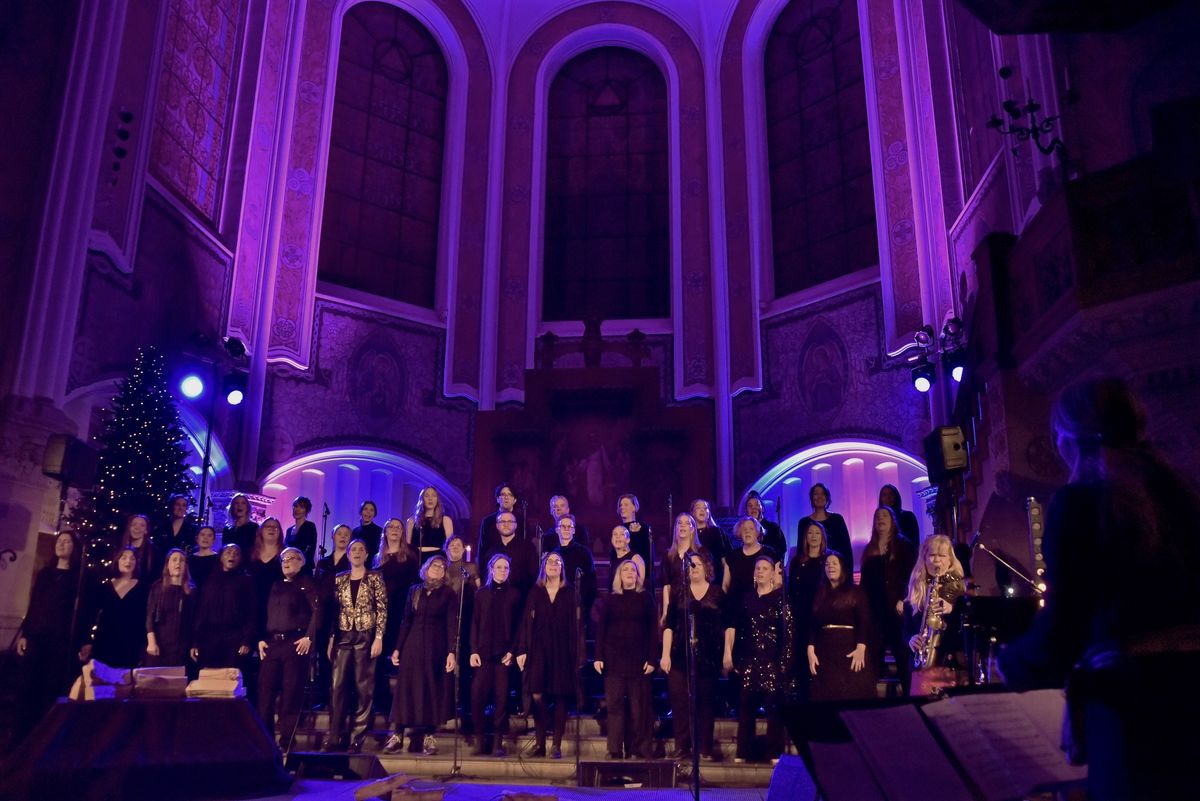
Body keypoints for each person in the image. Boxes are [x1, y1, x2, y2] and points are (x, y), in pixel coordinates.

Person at [998, 378, 1200, 801]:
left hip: (1132, 710)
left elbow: (1065, 627)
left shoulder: (1081, 502)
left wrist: (1013, 663)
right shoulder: (1182, 490)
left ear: (1068, 440)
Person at [724, 554, 794, 763]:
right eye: (758, 568)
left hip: (773, 661)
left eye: (765, 568)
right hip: (751, 660)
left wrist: (784, 665)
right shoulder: (747, 599)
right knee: (746, 709)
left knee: (774, 710)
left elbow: (789, 635)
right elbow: (739, 628)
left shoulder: (782, 599)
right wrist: (735, 656)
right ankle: (743, 752)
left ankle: (774, 752)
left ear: (773, 573)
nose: (761, 571)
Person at [386, 554, 458, 756]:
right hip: (413, 645)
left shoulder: (448, 594)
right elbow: (405, 621)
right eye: (434, 565)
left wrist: (451, 651)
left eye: (442, 567)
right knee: (405, 688)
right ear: (426, 568)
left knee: (431, 688)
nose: (437, 568)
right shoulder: (414, 591)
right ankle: (398, 734)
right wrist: (397, 648)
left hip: (436, 646)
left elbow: (451, 624)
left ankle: (429, 735)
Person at [16, 531, 84, 739]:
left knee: (51, 687)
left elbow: (82, 611)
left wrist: (83, 641)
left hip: (60, 640)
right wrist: (25, 634)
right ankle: (23, 734)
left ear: (74, 547)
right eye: (59, 540)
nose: (61, 544)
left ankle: (45, 735)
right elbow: (34, 605)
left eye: (67, 541)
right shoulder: (45, 574)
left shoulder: (78, 577)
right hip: (37, 637)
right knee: (29, 685)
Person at [660, 549, 727, 761]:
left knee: (705, 702)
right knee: (680, 702)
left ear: (706, 568)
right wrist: (665, 654)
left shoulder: (717, 593)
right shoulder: (679, 593)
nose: (694, 567)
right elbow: (669, 625)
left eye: (697, 563)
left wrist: (726, 654)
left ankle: (703, 747)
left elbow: (727, 627)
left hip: (708, 656)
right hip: (680, 654)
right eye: (690, 564)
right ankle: (682, 745)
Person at [324, 540, 387, 753]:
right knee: (337, 686)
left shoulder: (375, 577)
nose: (357, 553)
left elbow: (382, 608)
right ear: (348, 555)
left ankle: (357, 737)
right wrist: (332, 637)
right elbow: (334, 610)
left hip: (365, 634)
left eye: (361, 549)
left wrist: (378, 637)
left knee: (363, 687)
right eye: (353, 550)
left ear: (367, 554)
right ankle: (334, 735)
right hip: (343, 634)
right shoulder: (339, 578)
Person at [516, 552, 580, 759]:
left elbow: (578, 625)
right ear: (543, 567)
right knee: (537, 694)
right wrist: (523, 649)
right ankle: (541, 743)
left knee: (561, 695)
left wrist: (579, 653)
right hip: (539, 648)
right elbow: (526, 622)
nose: (554, 565)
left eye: (558, 562)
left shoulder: (570, 592)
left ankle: (556, 745)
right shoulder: (535, 591)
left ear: (562, 568)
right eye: (550, 562)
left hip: (562, 648)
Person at [594, 560, 657, 759]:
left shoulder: (645, 598)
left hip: (639, 660)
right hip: (614, 659)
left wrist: (652, 658)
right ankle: (614, 749)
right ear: (618, 576)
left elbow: (653, 631)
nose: (630, 572)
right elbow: (601, 629)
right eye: (625, 570)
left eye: (633, 570)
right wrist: (598, 656)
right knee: (614, 707)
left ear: (638, 576)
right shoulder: (610, 600)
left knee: (638, 709)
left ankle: (636, 749)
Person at [258, 547, 320, 746]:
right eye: (284, 558)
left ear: (301, 562)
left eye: (292, 558)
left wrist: (309, 637)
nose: (287, 561)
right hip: (273, 644)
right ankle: (265, 739)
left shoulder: (306, 584)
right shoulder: (275, 584)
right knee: (265, 692)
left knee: (291, 693)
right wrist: (261, 638)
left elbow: (317, 611)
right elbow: (264, 612)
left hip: (294, 643)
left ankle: (287, 739)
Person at [468, 554, 523, 756]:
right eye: (498, 567)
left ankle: (498, 741)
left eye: (506, 568)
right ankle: (480, 738)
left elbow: (519, 626)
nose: (502, 571)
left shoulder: (515, 594)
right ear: (491, 570)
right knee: (477, 696)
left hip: (503, 655)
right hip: (483, 654)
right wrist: (473, 650)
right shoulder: (481, 594)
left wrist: (512, 651)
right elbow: (473, 623)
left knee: (502, 699)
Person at [860, 506, 917, 688]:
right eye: (877, 516)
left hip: (897, 608)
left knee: (901, 653)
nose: (880, 519)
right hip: (876, 610)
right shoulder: (870, 548)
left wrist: (903, 598)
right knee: (874, 653)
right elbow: (865, 582)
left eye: (884, 516)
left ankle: (909, 694)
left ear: (893, 520)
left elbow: (912, 575)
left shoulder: (903, 545)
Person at [903, 534, 965, 697]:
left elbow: (966, 629)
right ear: (924, 558)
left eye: (942, 555)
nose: (936, 560)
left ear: (950, 560)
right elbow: (906, 628)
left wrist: (953, 608)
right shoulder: (915, 588)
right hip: (921, 665)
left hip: (949, 663)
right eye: (932, 555)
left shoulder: (960, 588)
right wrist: (910, 639)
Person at [807, 551, 874, 701]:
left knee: (852, 692)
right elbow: (813, 624)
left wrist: (861, 647)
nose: (830, 566)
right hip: (825, 650)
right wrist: (810, 649)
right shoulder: (820, 593)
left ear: (842, 567)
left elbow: (864, 620)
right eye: (827, 564)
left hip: (849, 648)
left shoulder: (855, 591)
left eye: (834, 563)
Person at [81, 546, 149, 669]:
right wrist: (87, 640)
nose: (128, 561)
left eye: (132, 559)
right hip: (104, 640)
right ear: (117, 561)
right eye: (124, 558)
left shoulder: (143, 588)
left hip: (130, 642)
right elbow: (92, 613)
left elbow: (145, 616)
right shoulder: (105, 586)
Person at [190, 544, 256, 669]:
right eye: (228, 552)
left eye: (236, 553)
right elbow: (201, 612)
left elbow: (251, 613)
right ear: (220, 557)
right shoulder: (209, 580)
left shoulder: (245, 581)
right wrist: (195, 642)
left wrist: (246, 640)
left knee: (230, 678)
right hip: (209, 637)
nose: (232, 555)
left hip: (234, 637)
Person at [787, 521, 829, 694]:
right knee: (802, 659)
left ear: (823, 537)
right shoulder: (797, 561)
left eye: (817, 533)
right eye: (810, 533)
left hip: (822, 615)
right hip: (801, 616)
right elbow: (791, 589)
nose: (813, 536)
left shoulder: (828, 560)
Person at [145, 549, 197, 667]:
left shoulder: (191, 591)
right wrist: (152, 642)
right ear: (167, 565)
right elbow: (150, 616)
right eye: (174, 560)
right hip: (159, 645)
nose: (178, 563)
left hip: (182, 648)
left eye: (181, 560)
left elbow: (194, 620)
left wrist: (194, 644)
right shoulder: (158, 587)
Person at [660, 512, 711, 627]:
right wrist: (665, 612)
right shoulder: (668, 555)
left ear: (693, 529)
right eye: (679, 523)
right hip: (675, 604)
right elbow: (666, 585)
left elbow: (708, 579)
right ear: (676, 528)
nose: (682, 525)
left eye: (687, 523)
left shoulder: (701, 552)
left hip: (696, 602)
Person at [795, 483, 853, 573]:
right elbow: (800, 550)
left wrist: (848, 572)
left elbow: (846, 549)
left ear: (827, 497)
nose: (819, 496)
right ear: (811, 498)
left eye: (823, 493)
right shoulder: (804, 522)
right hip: (811, 569)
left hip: (835, 569)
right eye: (816, 494)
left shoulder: (837, 519)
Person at [722, 516, 777, 608]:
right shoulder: (732, 556)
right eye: (744, 529)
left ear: (758, 532)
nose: (747, 531)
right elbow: (725, 584)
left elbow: (777, 582)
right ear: (740, 533)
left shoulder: (769, 552)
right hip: (735, 606)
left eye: (751, 528)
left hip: (762, 606)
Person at [482, 510, 539, 597]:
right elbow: (487, 578)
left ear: (515, 525)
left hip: (521, 600)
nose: (506, 524)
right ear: (497, 525)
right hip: (495, 599)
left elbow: (534, 576)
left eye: (510, 521)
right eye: (502, 521)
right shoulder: (491, 551)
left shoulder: (528, 547)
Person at [549, 514, 596, 618]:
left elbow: (591, 581)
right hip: (556, 605)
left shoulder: (584, 552)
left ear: (573, 530)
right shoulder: (553, 555)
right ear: (557, 530)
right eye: (563, 526)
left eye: (569, 526)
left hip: (577, 605)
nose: (566, 529)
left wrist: (582, 604)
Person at [478, 483, 525, 560]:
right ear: (497, 499)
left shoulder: (521, 521)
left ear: (515, 500)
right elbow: (482, 549)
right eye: (503, 494)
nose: (506, 497)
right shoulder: (487, 521)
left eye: (510, 494)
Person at [613, 494, 652, 587]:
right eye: (620, 505)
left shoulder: (643, 527)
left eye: (626, 504)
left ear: (635, 507)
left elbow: (647, 554)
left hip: (638, 576)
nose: (622, 507)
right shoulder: (617, 530)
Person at [692, 499, 729, 588]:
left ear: (709, 513)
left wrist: (725, 585)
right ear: (692, 513)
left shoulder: (716, 531)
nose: (702, 510)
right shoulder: (690, 534)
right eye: (698, 508)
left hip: (715, 581)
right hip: (693, 580)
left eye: (705, 508)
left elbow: (725, 561)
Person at [407, 487, 453, 558]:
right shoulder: (412, 521)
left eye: (433, 495)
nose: (430, 498)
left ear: (437, 499)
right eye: (427, 495)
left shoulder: (446, 520)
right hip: (416, 558)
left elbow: (449, 545)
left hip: (437, 559)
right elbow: (408, 546)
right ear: (422, 499)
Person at [744, 491, 787, 560]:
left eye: (757, 504)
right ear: (746, 511)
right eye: (750, 506)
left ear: (762, 508)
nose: (753, 508)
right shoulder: (744, 530)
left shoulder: (773, 528)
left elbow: (781, 550)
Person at [118, 513, 160, 579]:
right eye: (133, 524)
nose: (137, 528)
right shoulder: (119, 547)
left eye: (142, 525)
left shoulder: (153, 551)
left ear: (146, 530)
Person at [285, 496, 318, 571]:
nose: (297, 509)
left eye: (301, 507)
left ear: (306, 511)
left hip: (304, 569)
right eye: (295, 506)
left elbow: (309, 549)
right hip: (289, 569)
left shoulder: (310, 526)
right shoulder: (289, 530)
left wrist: (296, 562)